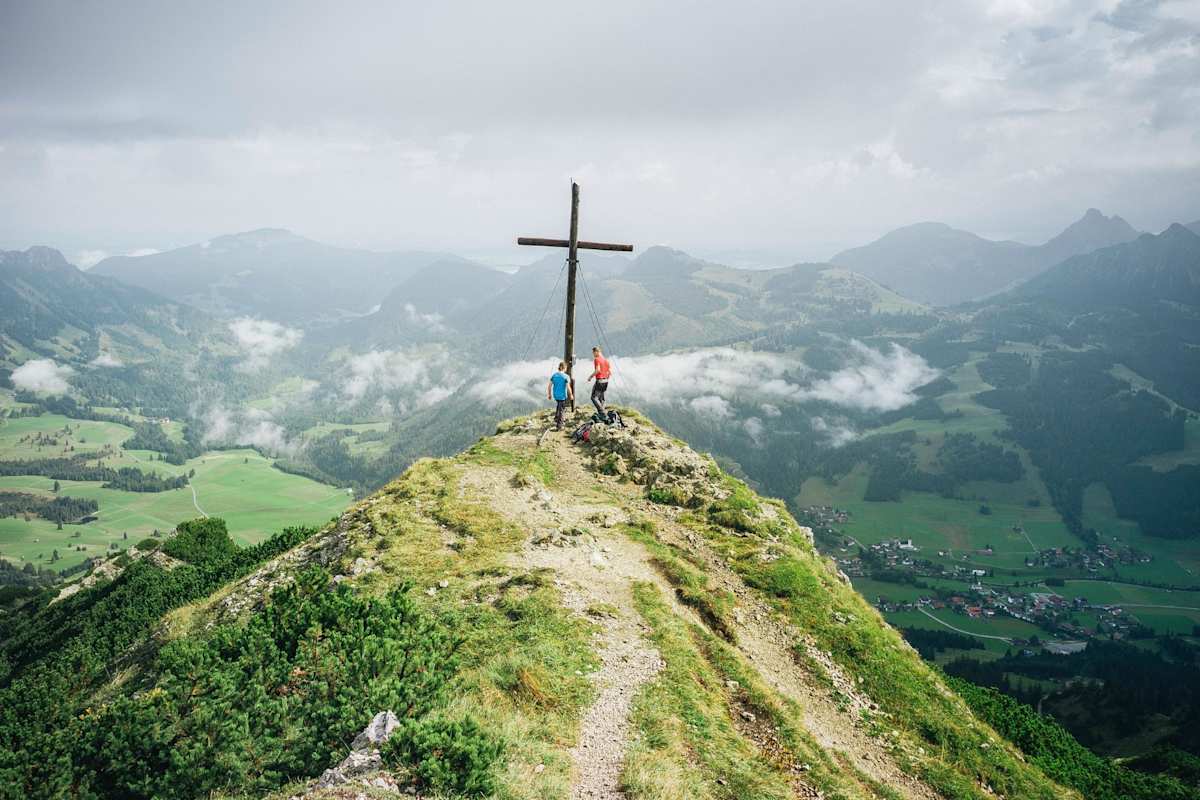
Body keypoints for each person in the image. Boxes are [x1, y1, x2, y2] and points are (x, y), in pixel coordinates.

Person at [547, 361, 573, 430]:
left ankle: (556, 417)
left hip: (555, 395)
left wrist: (549, 394)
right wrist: (571, 395)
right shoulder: (566, 376)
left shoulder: (554, 375)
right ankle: (559, 425)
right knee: (562, 410)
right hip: (562, 396)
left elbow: (549, 386)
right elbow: (568, 387)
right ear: (564, 368)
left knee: (559, 405)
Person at [588, 346, 611, 417]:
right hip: (606, 380)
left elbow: (597, 370)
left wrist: (590, 377)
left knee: (594, 397)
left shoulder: (597, 359)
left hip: (600, 380)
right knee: (601, 398)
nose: (593, 355)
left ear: (597, 352)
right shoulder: (606, 360)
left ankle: (602, 413)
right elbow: (609, 372)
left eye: (593, 353)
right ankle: (602, 413)